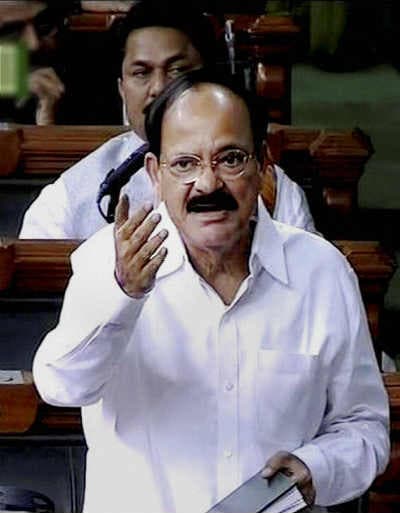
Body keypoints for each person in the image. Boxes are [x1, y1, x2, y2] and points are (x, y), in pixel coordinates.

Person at [33, 69, 389, 513]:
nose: (207, 184)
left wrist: (316, 467)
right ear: (155, 173)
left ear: (262, 164)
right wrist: (122, 294)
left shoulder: (322, 272)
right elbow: (61, 387)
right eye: (185, 164)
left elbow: (364, 426)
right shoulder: (106, 262)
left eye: (230, 159)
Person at [18, 0, 317, 239]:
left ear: (210, 79)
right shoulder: (71, 195)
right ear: (122, 89)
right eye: (141, 73)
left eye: (177, 70)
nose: (159, 88)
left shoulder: (269, 187)